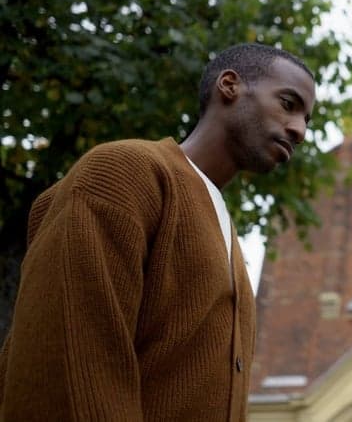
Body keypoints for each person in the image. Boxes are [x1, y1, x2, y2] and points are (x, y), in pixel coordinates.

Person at [0, 43, 316, 421]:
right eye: (288, 103)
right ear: (229, 86)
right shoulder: (123, 173)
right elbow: (72, 359)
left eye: (307, 120)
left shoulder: (224, 230)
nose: (298, 130)